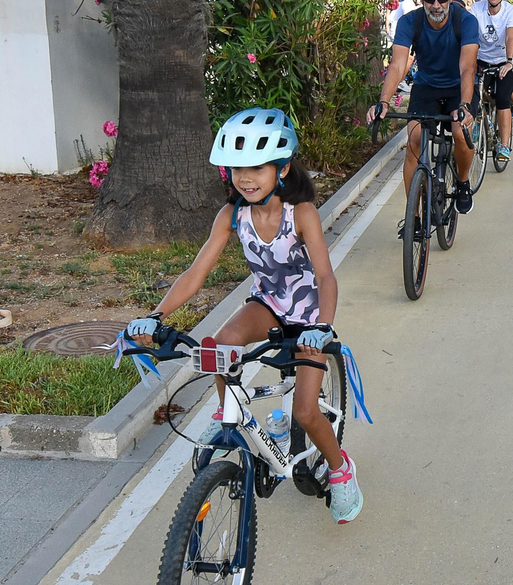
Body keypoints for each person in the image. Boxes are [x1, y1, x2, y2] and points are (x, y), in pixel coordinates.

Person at [124, 108, 362, 524]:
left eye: (257, 168)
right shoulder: (231, 216)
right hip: (267, 305)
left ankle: (341, 470)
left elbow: (325, 276)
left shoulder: (300, 213)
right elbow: (196, 273)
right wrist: (155, 314)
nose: (246, 178)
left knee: (306, 412)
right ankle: (228, 415)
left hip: (308, 317)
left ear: (282, 168)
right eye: (237, 169)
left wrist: (322, 326)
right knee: (220, 344)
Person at [368, 0, 478, 217]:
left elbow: (468, 67)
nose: (436, 4)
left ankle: (462, 183)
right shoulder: (410, 21)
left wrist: (464, 106)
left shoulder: (466, 21)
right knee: (415, 140)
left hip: (458, 87)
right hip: (426, 86)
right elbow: (397, 64)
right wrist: (383, 102)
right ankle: (413, 217)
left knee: (460, 133)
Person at [469, 0, 513, 164]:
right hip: (482, 59)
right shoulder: (476, 9)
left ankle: (504, 145)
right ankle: (476, 123)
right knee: (473, 92)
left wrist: (508, 61)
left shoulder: (510, 11)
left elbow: (510, 36)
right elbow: (469, 36)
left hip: (506, 59)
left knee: (502, 98)